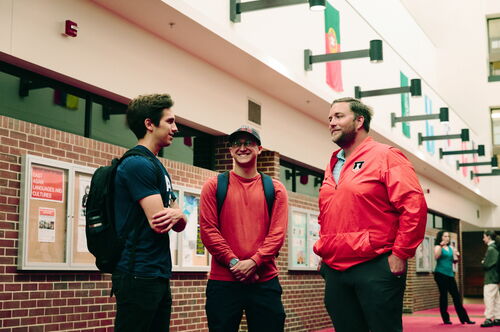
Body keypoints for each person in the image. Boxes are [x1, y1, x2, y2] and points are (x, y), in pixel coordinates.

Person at [313, 97, 427, 332]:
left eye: (339, 116)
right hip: (335, 269)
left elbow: (413, 206)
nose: (332, 122)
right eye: (330, 118)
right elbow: (327, 214)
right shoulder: (334, 163)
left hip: (375, 264)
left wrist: (400, 254)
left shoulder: (387, 155)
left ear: (359, 121)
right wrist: (324, 252)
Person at [200, 125, 288, 332]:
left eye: (248, 143)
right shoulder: (214, 186)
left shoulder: (275, 188)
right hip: (223, 282)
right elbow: (208, 230)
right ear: (230, 150)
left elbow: (277, 234)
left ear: (259, 149)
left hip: (265, 281)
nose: (242, 148)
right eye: (237, 144)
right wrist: (235, 263)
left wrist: (255, 262)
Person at [111, 94, 188, 332]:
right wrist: (177, 214)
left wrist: (179, 214)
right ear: (149, 124)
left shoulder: (157, 166)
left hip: (156, 273)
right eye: (170, 121)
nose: (175, 128)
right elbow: (161, 222)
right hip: (138, 274)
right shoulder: (138, 164)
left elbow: (180, 221)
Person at [433, 231, 475, 325]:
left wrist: (457, 255)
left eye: (448, 236)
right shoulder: (437, 247)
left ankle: (465, 318)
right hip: (440, 274)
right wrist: (440, 246)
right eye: (445, 236)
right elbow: (436, 256)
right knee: (444, 296)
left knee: (456, 297)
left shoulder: (451, 247)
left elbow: (455, 261)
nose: (447, 238)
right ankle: (446, 319)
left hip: (450, 274)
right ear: (441, 237)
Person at [480, 230, 500, 327]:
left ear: (489, 237)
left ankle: (488, 318)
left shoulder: (491, 249)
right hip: (496, 277)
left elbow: (487, 264)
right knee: (496, 299)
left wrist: (483, 261)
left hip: (490, 277)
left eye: (484, 237)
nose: (483, 239)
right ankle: (497, 318)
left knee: (489, 298)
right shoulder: (496, 248)